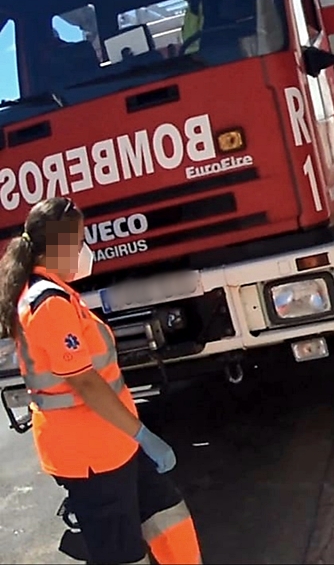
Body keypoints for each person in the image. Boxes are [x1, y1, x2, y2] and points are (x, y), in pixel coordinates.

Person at [0, 197, 202, 565]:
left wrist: (133, 436)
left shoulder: (58, 294)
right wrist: (143, 434)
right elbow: (86, 383)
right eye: (78, 241)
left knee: (168, 515)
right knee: (121, 554)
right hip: (89, 456)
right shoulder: (47, 304)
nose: (84, 249)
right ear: (59, 246)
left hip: (113, 442)